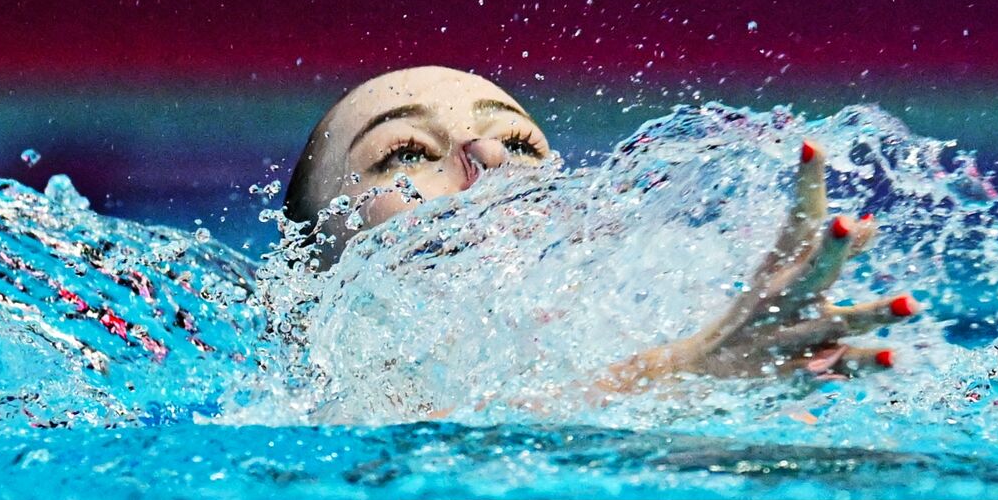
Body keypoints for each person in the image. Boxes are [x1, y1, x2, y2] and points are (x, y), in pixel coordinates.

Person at [282, 66, 920, 400]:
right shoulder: (327, 403)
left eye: (516, 141)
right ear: (308, 276)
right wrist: (686, 374)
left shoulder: (672, 336)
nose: (490, 161)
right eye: (405, 154)